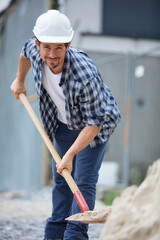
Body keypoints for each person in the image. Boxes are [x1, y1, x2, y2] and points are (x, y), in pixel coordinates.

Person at [11, 10, 121, 240]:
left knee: (82, 180)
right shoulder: (34, 48)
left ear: (68, 44)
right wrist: (19, 80)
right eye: (46, 47)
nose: (51, 55)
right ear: (38, 44)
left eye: (58, 48)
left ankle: (76, 234)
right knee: (61, 178)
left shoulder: (85, 75)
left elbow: (95, 123)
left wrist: (70, 154)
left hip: (93, 126)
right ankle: (55, 232)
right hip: (62, 124)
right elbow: (24, 53)